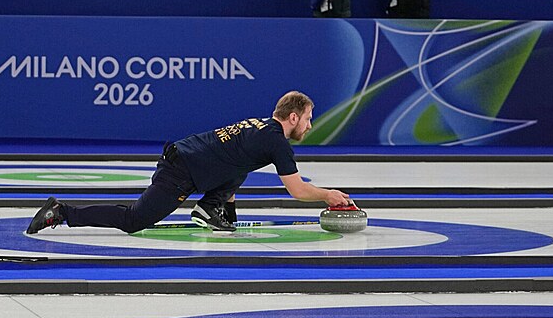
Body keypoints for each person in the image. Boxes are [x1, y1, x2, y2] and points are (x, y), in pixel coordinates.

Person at [24, 90, 351, 235]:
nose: (310, 125)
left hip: (189, 158)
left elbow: (235, 163)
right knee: (135, 220)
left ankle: (210, 210)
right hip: (182, 170)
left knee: (241, 167)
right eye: (308, 119)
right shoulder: (276, 141)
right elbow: (296, 190)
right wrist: (328, 195)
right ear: (293, 116)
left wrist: (228, 214)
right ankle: (63, 212)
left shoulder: (260, 128)